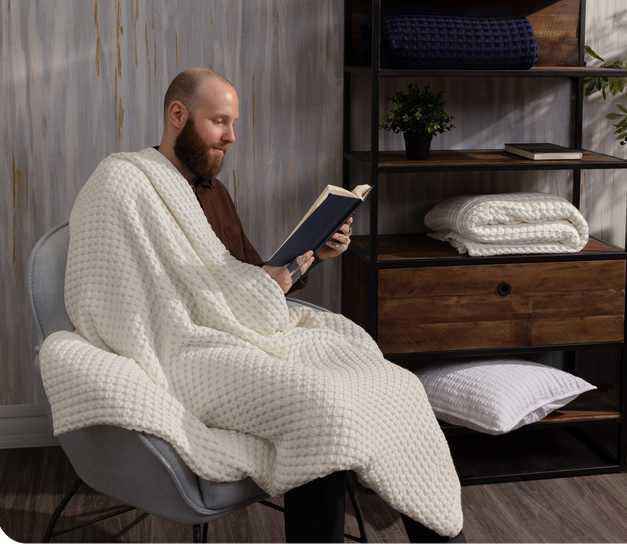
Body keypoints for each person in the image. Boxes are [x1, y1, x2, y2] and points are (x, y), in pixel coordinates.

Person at [43, 67, 464, 543]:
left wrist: (310, 260)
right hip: (185, 351)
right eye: (220, 122)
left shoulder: (213, 191)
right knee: (322, 410)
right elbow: (117, 297)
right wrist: (246, 291)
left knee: (398, 385)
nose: (232, 136)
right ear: (178, 115)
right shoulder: (120, 182)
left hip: (248, 336)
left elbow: (248, 278)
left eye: (234, 123)